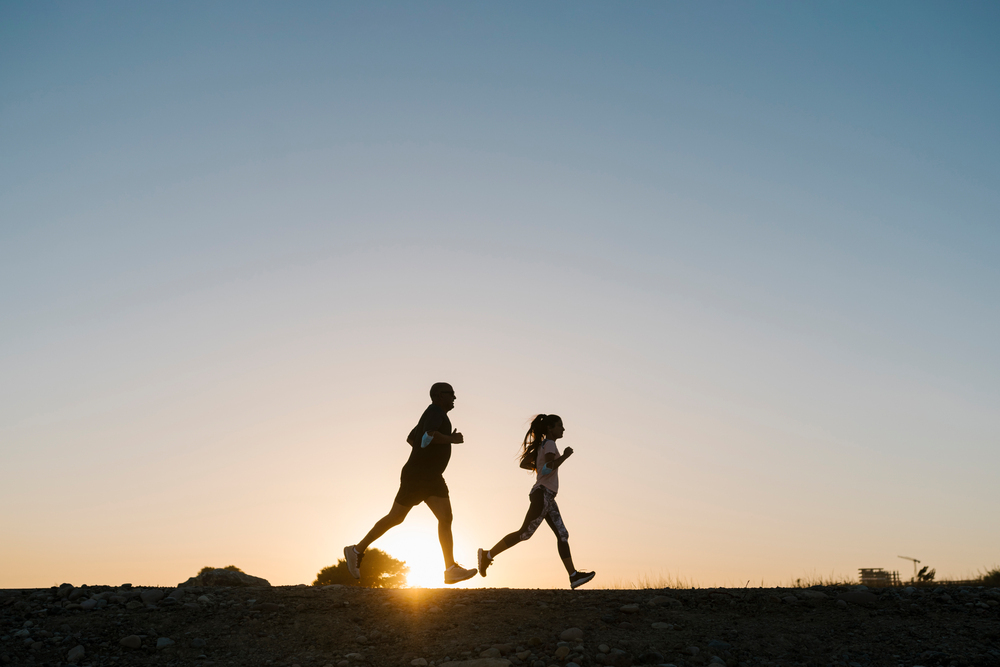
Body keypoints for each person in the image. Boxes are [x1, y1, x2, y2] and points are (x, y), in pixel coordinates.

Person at [344, 382, 477, 585]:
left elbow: (412, 438)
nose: (455, 398)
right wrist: (451, 439)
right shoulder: (435, 412)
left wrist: (425, 454)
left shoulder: (433, 414)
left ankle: (450, 569)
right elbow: (427, 437)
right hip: (418, 476)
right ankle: (356, 550)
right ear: (439, 396)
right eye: (451, 394)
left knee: (446, 517)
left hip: (431, 476)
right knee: (395, 518)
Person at [476, 413, 595, 589]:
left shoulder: (543, 445)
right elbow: (547, 468)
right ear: (550, 428)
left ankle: (573, 576)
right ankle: (487, 555)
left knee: (562, 534)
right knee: (524, 533)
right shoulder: (550, 444)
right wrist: (565, 456)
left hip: (547, 496)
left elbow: (525, 464)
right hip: (542, 494)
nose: (563, 429)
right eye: (559, 425)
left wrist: (539, 466)